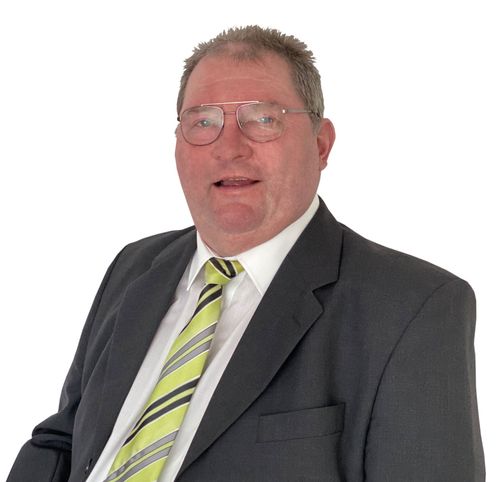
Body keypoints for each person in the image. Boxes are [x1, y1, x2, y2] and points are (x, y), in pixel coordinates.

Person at [8, 25, 485, 482]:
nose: (229, 148)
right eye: (203, 122)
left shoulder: (413, 307)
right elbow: (65, 439)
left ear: (321, 144)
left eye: (262, 119)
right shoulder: (135, 267)